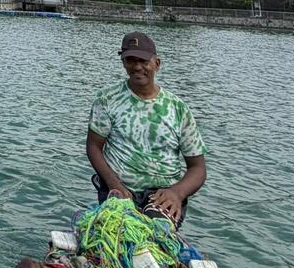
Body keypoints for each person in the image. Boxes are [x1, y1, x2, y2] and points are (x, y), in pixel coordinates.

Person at [86, 31, 206, 225]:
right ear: (123, 63)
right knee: (120, 229)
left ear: (157, 64)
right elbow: (93, 146)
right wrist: (114, 184)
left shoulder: (178, 108)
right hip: (119, 189)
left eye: (143, 61)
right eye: (130, 60)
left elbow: (198, 168)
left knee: (155, 229)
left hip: (163, 194)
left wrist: (177, 193)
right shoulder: (107, 100)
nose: (137, 67)